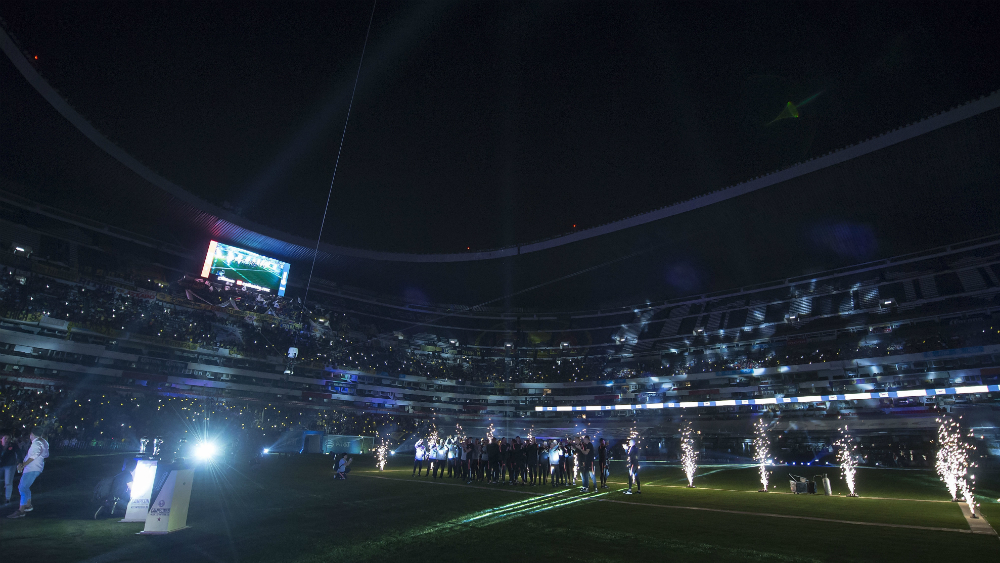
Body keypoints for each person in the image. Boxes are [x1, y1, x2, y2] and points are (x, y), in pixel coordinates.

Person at [7, 427, 48, 518]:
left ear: (32, 434)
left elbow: (33, 456)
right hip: (36, 468)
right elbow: (45, 455)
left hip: (32, 468)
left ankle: (21, 510)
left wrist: (23, 464)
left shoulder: (37, 443)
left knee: (22, 488)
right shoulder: (44, 442)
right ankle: (27, 505)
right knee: (25, 487)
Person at [1, 433, 20, 506]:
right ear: (1, 439)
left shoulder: (12, 445)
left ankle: (7, 498)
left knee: (8, 482)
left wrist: (20, 462)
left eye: (8, 439)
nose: (7, 440)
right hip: (1, 465)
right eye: (5, 438)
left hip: (10, 465)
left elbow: (18, 453)